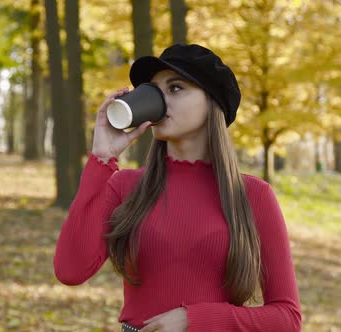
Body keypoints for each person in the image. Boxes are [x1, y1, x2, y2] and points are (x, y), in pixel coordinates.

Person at [53, 43, 302, 332]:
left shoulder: (252, 195)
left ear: (212, 103)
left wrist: (196, 319)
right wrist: (102, 158)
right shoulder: (124, 185)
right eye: (154, 90)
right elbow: (70, 271)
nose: (159, 99)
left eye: (176, 88)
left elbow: (287, 319)